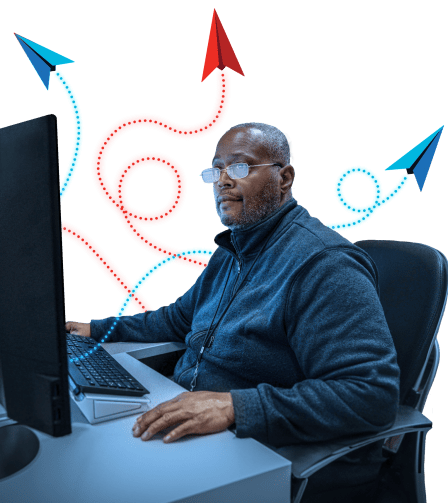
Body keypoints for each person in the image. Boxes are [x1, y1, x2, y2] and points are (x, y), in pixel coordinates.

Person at [66, 122, 400, 502]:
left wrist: (234, 406)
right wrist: (97, 329)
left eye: (239, 167)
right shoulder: (233, 252)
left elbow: (370, 392)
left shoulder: (324, 265)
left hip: (261, 449)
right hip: (189, 423)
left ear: (285, 177)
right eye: (216, 169)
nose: (222, 181)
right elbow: (176, 319)